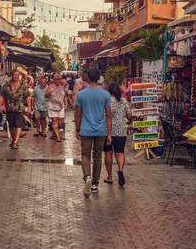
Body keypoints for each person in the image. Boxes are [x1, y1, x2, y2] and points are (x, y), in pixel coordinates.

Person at [75, 68, 112, 198]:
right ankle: (95, 184)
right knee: (97, 156)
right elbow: (108, 115)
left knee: (85, 155)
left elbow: (78, 114)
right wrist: (109, 134)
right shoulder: (105, 95)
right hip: (101, 130)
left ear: (87, 78)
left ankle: (87, 177)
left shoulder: (81, 94)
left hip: (85, 129)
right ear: (99, 77)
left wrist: (77, 129)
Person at [103, 83, 132, 186]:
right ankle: (120, 170)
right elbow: (129, 116)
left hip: (107, 131)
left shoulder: (106, 101)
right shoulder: (123, 101)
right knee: (120, 153)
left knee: (108, 153)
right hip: (121, 132)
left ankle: (110, 177)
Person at [0, 69, 32, 149]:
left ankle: (15, 142)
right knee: (11, 126)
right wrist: (0, 105)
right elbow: (1, 95)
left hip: (20, 109)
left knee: (18, 125)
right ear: (12, 75)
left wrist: (29, 108)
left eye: (18, 75)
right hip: (9, 109)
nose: (16, 76)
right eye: (15, 74)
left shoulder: (23, 86)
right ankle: (14, 140)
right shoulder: (6, 85)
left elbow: (27, 97)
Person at [45, 73, 68, 142]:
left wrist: (66, 105)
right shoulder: (50, 86)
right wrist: (50, 91)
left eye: (59, 79)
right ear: (54, 80)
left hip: (60, 106)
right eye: (56, 79)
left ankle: (55, 133)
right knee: (55, 121)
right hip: (52, 106)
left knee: (61, 123)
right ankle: (58, 137)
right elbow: (46, 95)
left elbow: (65, 97)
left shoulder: (62, 87)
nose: (58, 81)